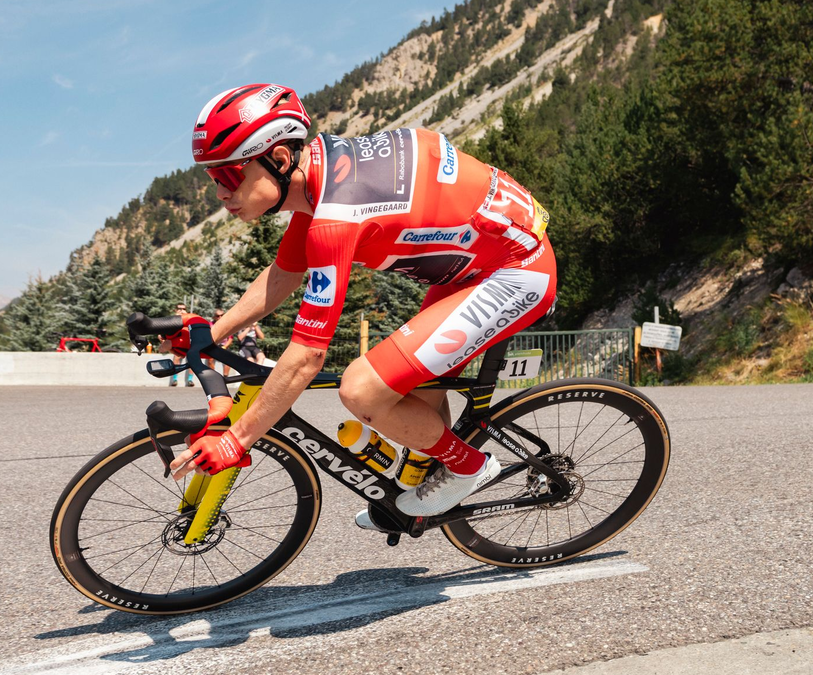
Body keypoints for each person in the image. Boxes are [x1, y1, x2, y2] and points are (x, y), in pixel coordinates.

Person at [170, 84, 557, 523]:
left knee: (362, 390)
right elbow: (283, 275)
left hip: (517, 271)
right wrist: (208, 333)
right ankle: (427, 475)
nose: (221, 194)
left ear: (278, 159)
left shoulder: (336, 216)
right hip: (475, 264)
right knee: (406, 389)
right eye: (213, 180)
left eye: (229, 177)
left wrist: (236, 439)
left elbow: (307, 356)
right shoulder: (322, 175)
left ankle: (468, 467)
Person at [169, 303, 195, 387]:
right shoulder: (172, 319)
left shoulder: (189, 317)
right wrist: (176, 317)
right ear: (176, 310)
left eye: (183, 309)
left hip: (189, 342)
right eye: (179, 309)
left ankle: (190, 380)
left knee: (192, 360)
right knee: (176, 359)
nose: (181, 310)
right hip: (178, 343)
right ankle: (175, 379)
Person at [205, 308, 234, 376]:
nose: (220, 317)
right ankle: (214, 376)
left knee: (229, 359)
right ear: (214, 317)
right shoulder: (210, 325)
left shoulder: (227, 325)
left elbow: (230, 339)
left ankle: (225, 376)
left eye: (222, 315)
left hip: (224, 345)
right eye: (217, 316)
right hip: (212, 345)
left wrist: (225, 346)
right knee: (210, 360)